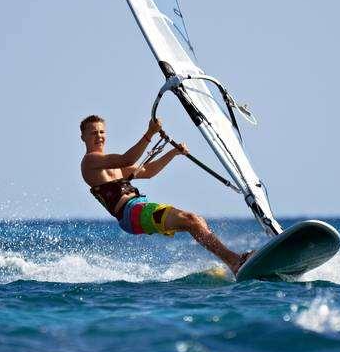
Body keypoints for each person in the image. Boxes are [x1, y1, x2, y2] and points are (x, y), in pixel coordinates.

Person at [80, 114, 250, 274]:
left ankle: (233, 262)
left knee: (196, 222)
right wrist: (149, 133)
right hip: (132, 214)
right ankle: (235, 261)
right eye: (93, 133)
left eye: (102, 132)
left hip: (139, 211)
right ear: (83, 137)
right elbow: (128, 159)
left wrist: (173, 153)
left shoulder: (111, 164)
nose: (99, 136)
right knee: (191, 220)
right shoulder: (90, 161)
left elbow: (147, 170)